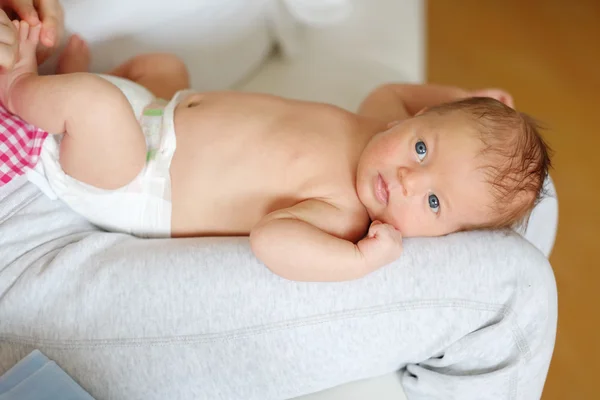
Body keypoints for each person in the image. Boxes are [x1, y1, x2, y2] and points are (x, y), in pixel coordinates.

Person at [0, 21, 551, 282]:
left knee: (97, 111)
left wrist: (359, 260)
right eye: (423, 148)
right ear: (415, 120)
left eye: (433, 204)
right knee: (162, 65)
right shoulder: (375, 121)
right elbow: (401, 96)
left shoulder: (345, 215)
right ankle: (69, 98)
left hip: (136, 181)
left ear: (443, 238)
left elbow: (272, 240)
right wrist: (462, 99)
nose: (408, 179)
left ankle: (23, 86)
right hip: (161, 110)